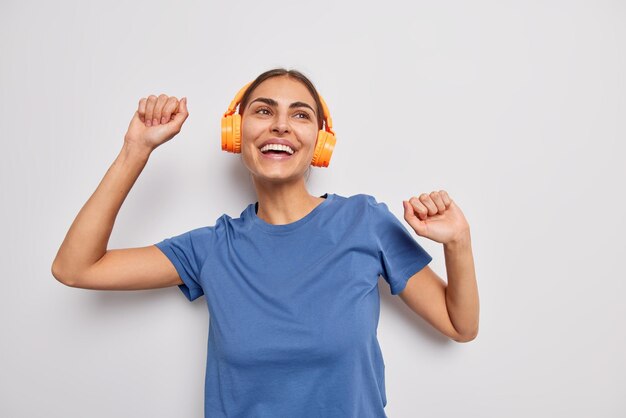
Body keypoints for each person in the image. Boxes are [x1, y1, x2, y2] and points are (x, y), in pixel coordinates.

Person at [51, 68, 479, 417]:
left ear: (320, 142)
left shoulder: (364, 221)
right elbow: (75, 268)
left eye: (300, 115)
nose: (280, 125)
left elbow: (460, 325)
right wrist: (135, 149)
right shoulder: (213, 247)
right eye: (263, 110)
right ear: (236, 133)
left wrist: (457, 241)